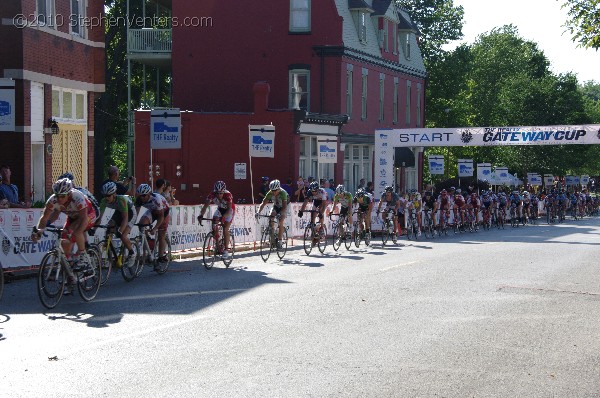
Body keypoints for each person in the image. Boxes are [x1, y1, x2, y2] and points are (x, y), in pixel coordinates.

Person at [31, 178, 97, 291]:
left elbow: (83, 219)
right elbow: (45, 218)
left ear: (69, 194)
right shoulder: (53, 200)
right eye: (57, 195)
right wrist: (39, 231)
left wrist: (76, 233)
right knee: (64, 241)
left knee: (76, 232)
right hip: (72, 218)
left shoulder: (77, 197)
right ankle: (70, 268)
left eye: (62, 196)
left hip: (88, 215)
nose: (59, 199)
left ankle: (83, 258)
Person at [94, 181, 137, 268]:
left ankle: (132, 253)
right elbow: (100, 217)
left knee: (123, 235)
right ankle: (112, 253)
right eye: (105, 195)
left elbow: (125, 218)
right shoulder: (104, 201)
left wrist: (120, 230)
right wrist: (94, 229)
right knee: (109, 226)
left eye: (108, 195)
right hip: (119, 212)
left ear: (114, 194)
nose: (106, 198)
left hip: (130, 213)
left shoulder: (121, 200)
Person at [135, 183, 170, 268]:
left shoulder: (156, 199)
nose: (142, 198)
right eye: (140, 196)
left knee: (161, 235)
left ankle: (161, 256)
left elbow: (161, 217)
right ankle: (149, 241)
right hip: (152, 211)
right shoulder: (139, 199)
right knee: (141, 224)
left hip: (163, 212)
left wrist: (154, 229)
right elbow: (136, 214)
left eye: (144, 196)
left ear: (149, 194)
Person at [198, 181, 235, 258]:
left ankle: (226, 250)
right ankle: (217, 245)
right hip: (220, 209)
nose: (219, 195)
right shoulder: (211, 195)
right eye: (217, 193)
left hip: (229, 210)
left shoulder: (228, 195)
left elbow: (228, 210)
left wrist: (224, 217)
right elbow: (205, 206)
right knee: (214, 223)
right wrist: (201, 215)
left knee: (225, 229)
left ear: (224, 191)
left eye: (221, 193)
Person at [256, 179, 289, 248]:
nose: (273, 192)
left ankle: (280, 241)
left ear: (278, 189)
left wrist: (281, 214)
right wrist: (258, 212)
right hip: (276, 205)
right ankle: (272, 235)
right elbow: (263, 203)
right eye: (272, 190)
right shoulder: (270, 192)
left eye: (275, 191)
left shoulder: (283, 193)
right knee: (271, 216)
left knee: (281, 220)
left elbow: (284, 206)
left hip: (284, 206)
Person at [298, 181, 328, 245]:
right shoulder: (309, 192)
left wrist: (321, 213)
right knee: (313, 215)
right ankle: (314, 233)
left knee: (320, 212)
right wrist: (301, 211)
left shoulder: (322, 191)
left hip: (322, 202)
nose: (313, 193)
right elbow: (305, 202)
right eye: (312, 191)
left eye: (315, 191)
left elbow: (324, 205)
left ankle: (321, 228)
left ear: (318, 189)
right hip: (316, 201)